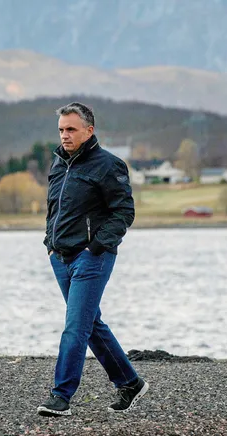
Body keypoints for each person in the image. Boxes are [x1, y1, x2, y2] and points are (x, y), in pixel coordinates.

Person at [37, 101, 148, 417]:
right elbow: (53, 210)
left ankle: (61, 396)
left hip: (92, 258)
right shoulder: (59, 164)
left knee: (76, 325)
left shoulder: (108, 165)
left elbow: (124, 211)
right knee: (90, 322)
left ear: (89, 130)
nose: (65, 136)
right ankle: (129, 381)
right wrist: (49, 244)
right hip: (61, 258)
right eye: (61, 129)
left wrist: (96, 247)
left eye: (71, 129)